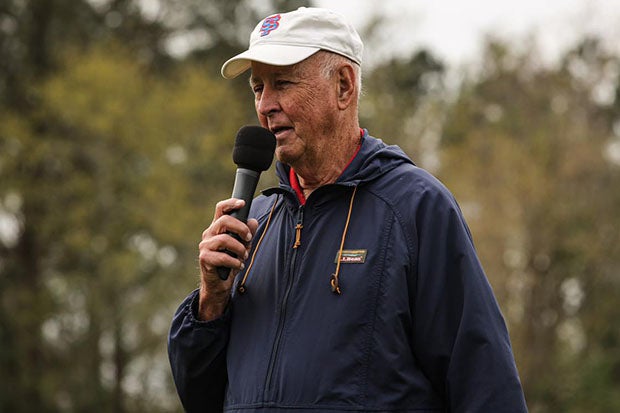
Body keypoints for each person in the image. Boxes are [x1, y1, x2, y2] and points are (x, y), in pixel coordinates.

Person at [168, 7, 528, 413]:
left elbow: (484, 383)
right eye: (257, 88)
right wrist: (211, 302)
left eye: (282, 83)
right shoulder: (254, 223)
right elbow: (202, 396)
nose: (266, 104)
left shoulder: (415, 207)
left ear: (343, 85)